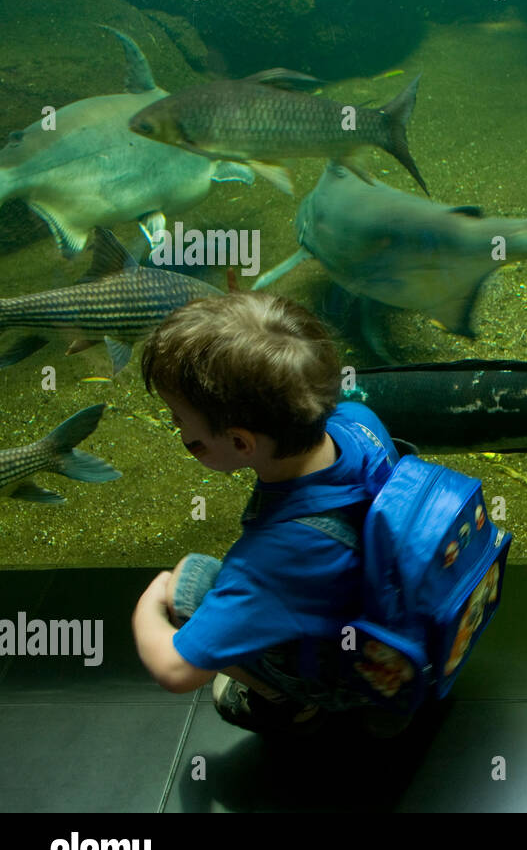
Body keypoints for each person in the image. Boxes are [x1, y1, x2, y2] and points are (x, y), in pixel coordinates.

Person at [130, 291, 404, 736]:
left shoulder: (271, 559)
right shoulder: (356, 421)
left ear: (240, 443)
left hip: (351, 674)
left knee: (189, 584)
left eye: (180, 420)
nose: (177, 428)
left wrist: (148, 603)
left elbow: (175, 671)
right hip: (389, 618)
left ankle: (288, 702)